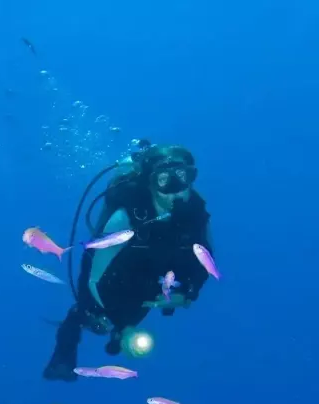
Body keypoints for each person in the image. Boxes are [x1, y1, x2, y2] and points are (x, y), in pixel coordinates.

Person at [43, 143, 213, 381]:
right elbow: (95, 279)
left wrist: (187, 294)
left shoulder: (196, 212)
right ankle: (63, 357)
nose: (175, 191)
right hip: (111, 274)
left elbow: (205, 261)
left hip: (156, 274)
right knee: (87, 313)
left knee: (135, 314)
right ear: (150, 183)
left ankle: (120, 332)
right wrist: (124, 326)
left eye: (183, 177)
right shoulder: (125, 215)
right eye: (164, 180)